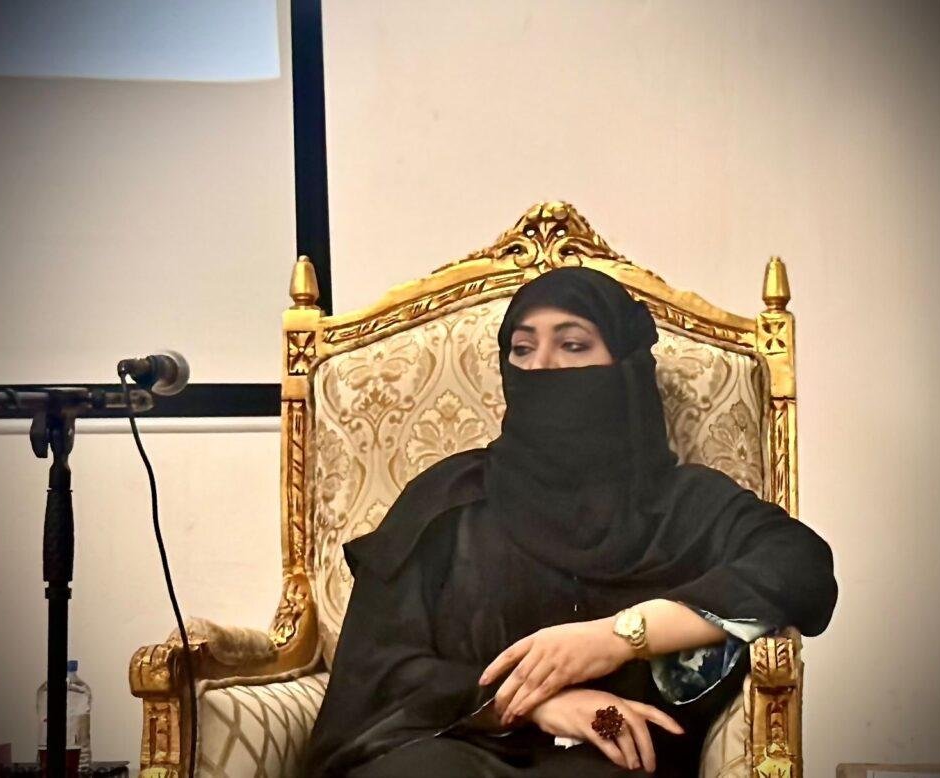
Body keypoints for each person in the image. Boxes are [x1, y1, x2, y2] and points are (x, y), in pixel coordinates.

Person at [302, 267, 838, 777]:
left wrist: (617, 637)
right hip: (454, 749)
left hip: (613, 759)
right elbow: (379, 667)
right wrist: (536, 702)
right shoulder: (450, 501)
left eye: (573, 345)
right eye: (522, 348)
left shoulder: (682, 505)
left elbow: (800, 567)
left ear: (625, 367)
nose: (540, 366)